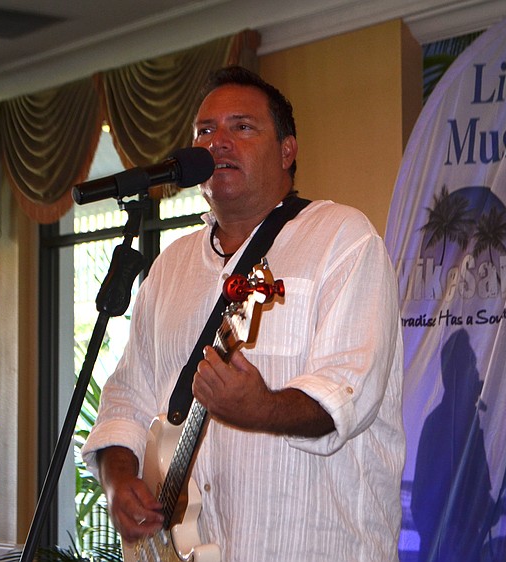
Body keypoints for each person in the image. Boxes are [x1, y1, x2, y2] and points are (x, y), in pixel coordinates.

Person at [81, 65, 405, 561]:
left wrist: (263, 407)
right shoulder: (169, 270)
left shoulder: (341, 239)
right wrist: (119, 480)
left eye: (242, 127)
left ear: (287, 149)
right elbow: (125, 400)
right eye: (205, 131)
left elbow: (348, 395)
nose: (219, 142)